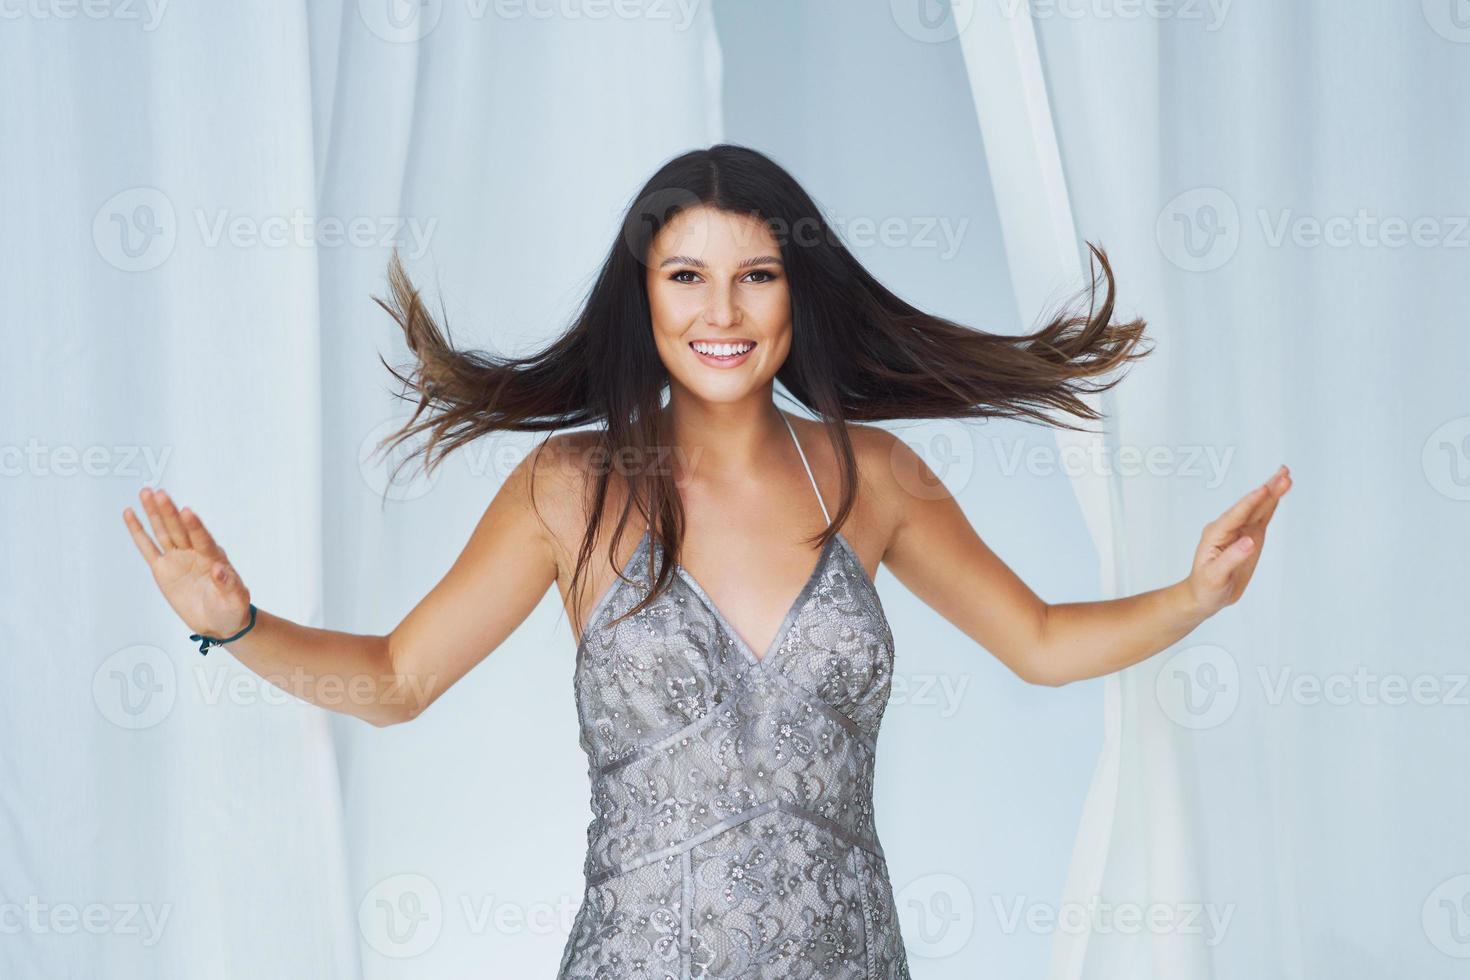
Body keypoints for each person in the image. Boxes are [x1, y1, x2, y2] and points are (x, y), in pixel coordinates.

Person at [121, 144, 1290, 979]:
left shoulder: (868, 475)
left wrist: (1194, 596)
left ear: (796, 292)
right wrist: (236, 624)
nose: (721, 308)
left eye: (756, 273)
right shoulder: (566, 488)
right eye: (687, 275)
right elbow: (395, 679)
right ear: (644, 297)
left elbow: (1038, 643)